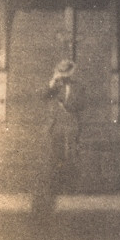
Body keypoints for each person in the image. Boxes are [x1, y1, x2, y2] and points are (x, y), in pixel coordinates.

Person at [35, 58, 85, 210]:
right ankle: (52, 189)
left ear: (71, 73)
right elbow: (42, 96)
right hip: (55, 126)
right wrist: (52, 82)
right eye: (61, 72)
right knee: (53, 156)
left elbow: (80, 104)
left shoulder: (78, 87)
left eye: (66, 73)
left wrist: (65, 104)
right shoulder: (53, 86)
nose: (64, 76)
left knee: (70, 155)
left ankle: (69, 188)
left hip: (70, 125)